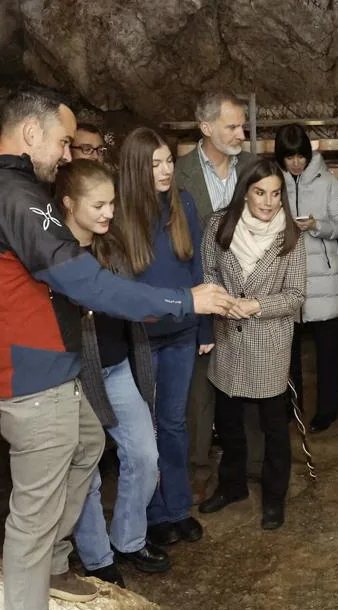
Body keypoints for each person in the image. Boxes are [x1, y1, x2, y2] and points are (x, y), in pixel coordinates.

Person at [0, 88, 234, 610]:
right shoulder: (11, 192)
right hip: (29, 369)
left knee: (87, 444)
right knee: (34, 507)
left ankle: (59, 564)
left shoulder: (3, 184)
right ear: (32, 132)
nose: (68, 155)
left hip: (51, 360)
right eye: (63, 142)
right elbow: (85, 282)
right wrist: (184, 299)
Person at [55, 159, 169, 588]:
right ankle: (97, 556)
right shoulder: (53, 254)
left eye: (112, 204)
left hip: (118, 367)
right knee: (84, 468)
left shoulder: (111, 245)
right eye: (99, 204)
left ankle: (128, 537)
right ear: (68, 204)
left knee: (144, 454)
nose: (108, 213)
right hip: (72, 375)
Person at [198, 157, 306, 530]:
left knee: (273, 428)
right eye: (260, 192)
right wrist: (221, 300)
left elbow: (295, 295)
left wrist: (258, 305)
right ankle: (232, 485)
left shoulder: (290, 235)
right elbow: (209, 270)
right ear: (245, 191)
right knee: (228, 423)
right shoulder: (218, 224)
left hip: (269, 345)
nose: (268, 202)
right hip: (228, 338)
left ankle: (274, 498)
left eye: (276, 194)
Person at [117, 127, 211, 547]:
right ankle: (153, 514)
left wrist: (205, 324)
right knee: (147, 428)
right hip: (142, 336)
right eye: (155, 163)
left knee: (174, 423)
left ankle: (177, 507)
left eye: (169, 161)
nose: (165, 170)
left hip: (182, 333)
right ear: (136, 167)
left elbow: (195, 271)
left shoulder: (183, 203)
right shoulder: (119, 213)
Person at [174, 90, 262, 490]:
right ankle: (197, 468)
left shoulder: (255, 169)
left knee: (250, 381)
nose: (241, 133)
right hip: (201, 295)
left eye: (242, 125)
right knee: (200, 390)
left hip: (249, 297)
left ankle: (250, 464)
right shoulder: (177, 175)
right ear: (206, 128)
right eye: (231, 126)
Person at [274, 124, 338, 433]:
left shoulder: (329, 182)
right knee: (285, 351)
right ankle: (291, 408)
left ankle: (328, 411)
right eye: (289, 157)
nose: (296, 163)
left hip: (324, 279)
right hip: (286, 276)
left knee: (327, 351)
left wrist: (317, 225)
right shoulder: (273, 182)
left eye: (300, 156)